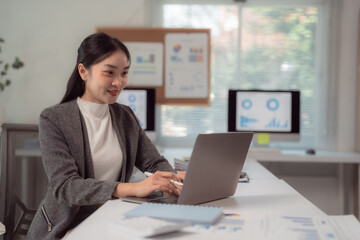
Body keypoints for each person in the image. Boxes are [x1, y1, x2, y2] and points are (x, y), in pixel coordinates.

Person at [27, 32, 185, 239]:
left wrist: (175, 179)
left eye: (124, 73)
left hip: (112, 219)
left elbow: (154, 163)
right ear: (84, 72)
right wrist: (131, 188)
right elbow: (65, 187)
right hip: (66, 227)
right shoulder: (54, 118)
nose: (118, 83)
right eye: (109, 73)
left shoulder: (125, 115)